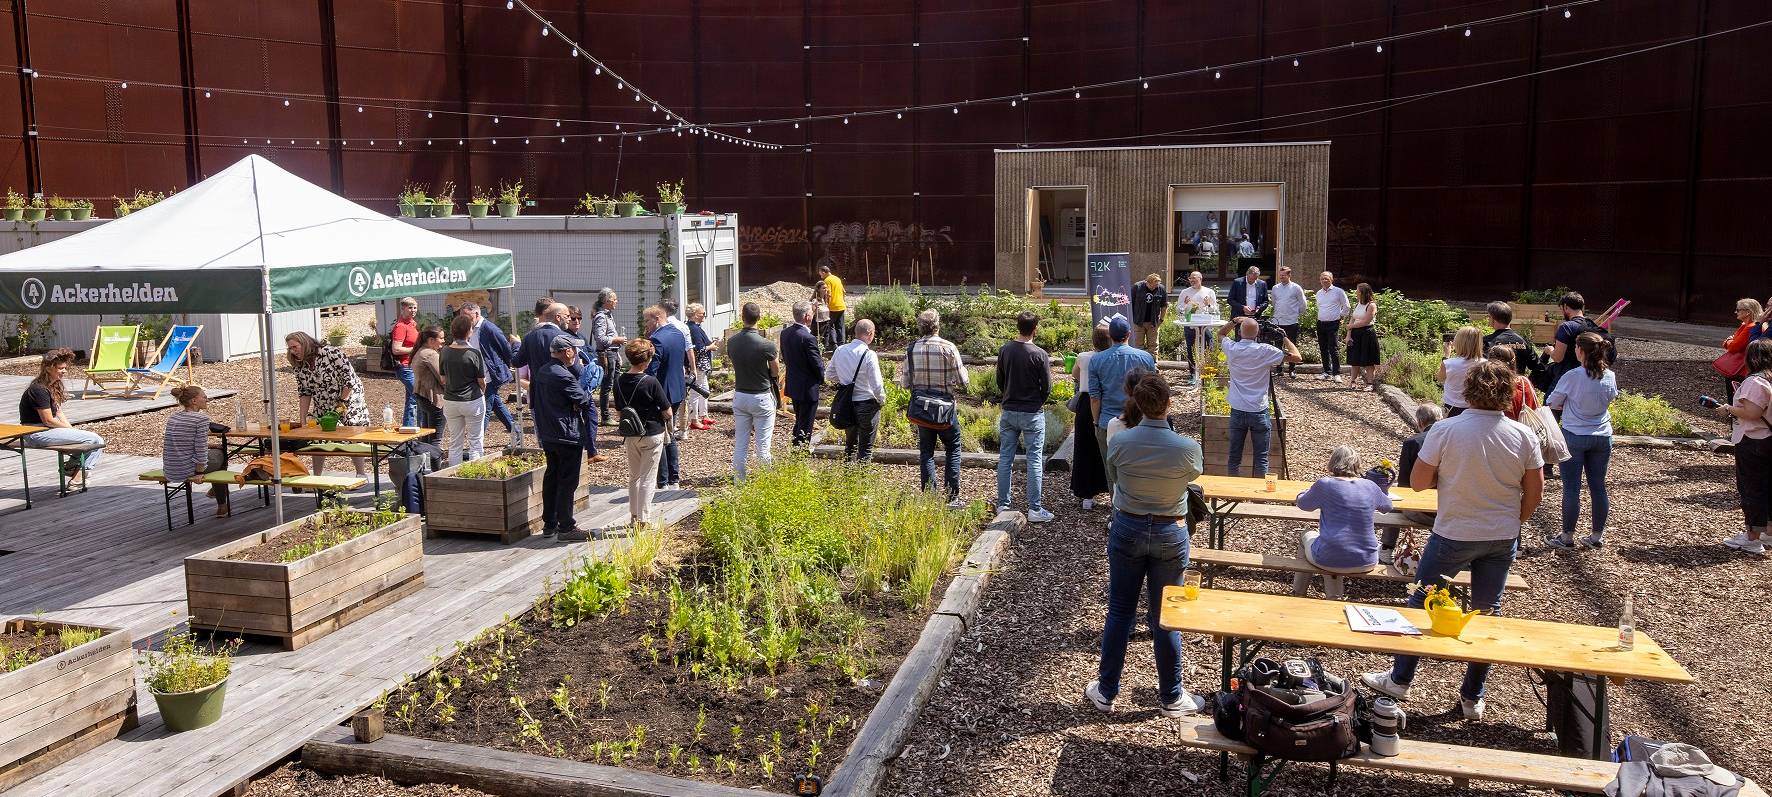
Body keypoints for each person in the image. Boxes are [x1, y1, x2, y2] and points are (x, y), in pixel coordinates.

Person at [1363, 361, 1544, 721]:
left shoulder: (1445, 430)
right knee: (1487, 613)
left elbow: (1416, 482)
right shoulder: (1523, 435)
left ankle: (1400, 680)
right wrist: (1514, 520)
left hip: (1454, 532)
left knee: (1421, 602)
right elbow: (1535, 492)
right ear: (1509, 392)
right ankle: (1473, 696)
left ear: (1466, 389)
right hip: (1501, 535)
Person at [1085, 373, 1206, 717]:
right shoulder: (1187, 449)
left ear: (1137, 404)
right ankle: (1171, 696)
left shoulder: (1121, 442)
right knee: (1165, 614)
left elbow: (1116, 475)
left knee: (1120, 610)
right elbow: (1193, 476)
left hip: (1128, 526)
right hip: (1170, 530)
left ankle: (1107, 690)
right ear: (1169, 404)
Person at [1545, 332, 1618, 550]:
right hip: (1602, 436)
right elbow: (1611, 397)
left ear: (1581, 350)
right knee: (1598, 486)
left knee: (1571, 488)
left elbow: (1552, 402)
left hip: (1575, 435)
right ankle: (1597, 535)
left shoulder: (1573, 376)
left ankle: (1567, 536)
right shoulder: (1609, 376)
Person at [1291, 445, 1393, 600]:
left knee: (1308, 536)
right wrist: (1383, 490)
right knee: (1333, 548)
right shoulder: (1370, 486)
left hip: (1330, 557)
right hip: (1368, 558)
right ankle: (1333, 598)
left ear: (1332, 463)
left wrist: (1303, 492)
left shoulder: (1325, 484)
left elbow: (1303, 504)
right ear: (1357, 464)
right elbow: (1387, 506)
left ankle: (1299, 593)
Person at [902, 309, 969, 506]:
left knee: (926, 451)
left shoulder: (912, 348)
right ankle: (952, 496)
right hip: (945, 407)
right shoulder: (948, 347)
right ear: (938, 325)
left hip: (922, 407)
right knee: (953, 447)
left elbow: (905, 382)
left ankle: (930, 497)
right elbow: (963, 380)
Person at [1216, 317, 1300, 476]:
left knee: (1234, 457)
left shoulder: (1231, 348)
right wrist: (1284, 337)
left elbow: (1220, 333)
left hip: (1238, 409)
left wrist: (1234, 321)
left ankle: (1233, 491)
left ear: (1239, 333)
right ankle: (1259, 494)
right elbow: (1297, 357)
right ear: (1258, 333)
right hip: (1258, 409)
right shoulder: (1266, 350)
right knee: (1261, 458)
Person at [995, 311, 1054, 523]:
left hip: (1009, 410)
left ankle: (1003, 504)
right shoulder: (1039, 354)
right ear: (1035, 329)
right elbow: (1047, 387)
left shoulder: (1005, 350)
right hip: (1032, 412)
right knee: (1034, 459)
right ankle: (1035, 509)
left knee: (1005, 459)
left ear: (1017, 327)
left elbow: (1000, 381)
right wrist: (1038, 400)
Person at [1716, 338, 1772, 554]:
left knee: (1752, 487)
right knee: (1769, 486)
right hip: (1769, 438)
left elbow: (1752, 413)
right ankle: (1768, 531)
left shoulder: (1755, 382)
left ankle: (1752, 537)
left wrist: (1730, 408)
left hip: (1753, 438)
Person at [534, 335, 592, 540]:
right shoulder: (563, 375)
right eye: (574, 351)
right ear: (567, 351)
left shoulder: (542, 370)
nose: (576, 354)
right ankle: (566, 527)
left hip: (548, 433)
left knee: (552, 477)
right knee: (567, 481)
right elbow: (583, 401)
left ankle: (549, 524)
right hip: (567, 434)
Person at [17, 349, 105, 486]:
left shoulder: (53, 385)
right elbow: (48, 420)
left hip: (47, 430)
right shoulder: (38, 389)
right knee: (95, 440)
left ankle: (71, 467)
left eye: (65, 368)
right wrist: (72, 431)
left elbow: (58, 413)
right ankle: (77, 477)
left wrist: (72, 430)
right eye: (60, 368)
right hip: (34, 433)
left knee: (94, 440)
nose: (64, 371)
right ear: (47, 368)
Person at [285, 331, 367, 476]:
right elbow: (304, 392)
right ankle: (317, 477)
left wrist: (341, 403)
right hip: (323, 402)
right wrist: (302, 418)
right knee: (317, 438)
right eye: (290, 348)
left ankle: (361, 473)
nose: (293, 351)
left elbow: (350, 381)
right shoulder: (298, 365)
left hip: (348, 398)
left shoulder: (331, 353)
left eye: (294, 347)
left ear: (305, 343)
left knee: (351, 433)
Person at [614, 338, 672, 527]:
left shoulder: (619, 381)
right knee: (648, 478)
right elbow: (667, 411)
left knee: (634, 476)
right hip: (652, 432)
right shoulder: (651, 382)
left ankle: (633, 516)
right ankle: (643, 519)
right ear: (647, 360)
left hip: (631, 434)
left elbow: (619, 411)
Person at [1383, 403, 1444, 562]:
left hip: (1426, 512)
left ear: (1420, 422)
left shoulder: (1413, 443)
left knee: (1393, 502)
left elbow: (1405, 487)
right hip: (1451, 509)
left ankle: (1386, 548)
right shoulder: (1454, 440)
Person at [458, 302, 522, 450]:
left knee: (485, 408)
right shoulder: (469, 329)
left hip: (490, 375)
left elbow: (505, 349)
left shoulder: (489, 328)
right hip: (479, 375)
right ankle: (517, 433)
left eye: (466, 316)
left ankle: (476, 445)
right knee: (496, 405)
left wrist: (504, 367)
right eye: (461, 317)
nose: (463, 320)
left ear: (476, 314)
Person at [727, 302, 779, 481]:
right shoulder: (767, 345)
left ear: (742, 317)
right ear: (759, 318)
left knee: (741, 444)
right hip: (761, 395)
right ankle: (765, 482)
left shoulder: (731, 342)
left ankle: (738, 482)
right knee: (763, 445)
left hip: (740, 394)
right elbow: (775, 370)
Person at [1088, 317, 1155, 457]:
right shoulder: (1145, 357)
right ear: (1129, 334)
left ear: (1110, 336)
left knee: (1111, 473)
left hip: (1107, 422)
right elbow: (1152, 391)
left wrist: (1096, 422)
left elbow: (1095, 397)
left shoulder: (1096, 360)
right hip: (1139, 421)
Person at [161, 385, 228, 517]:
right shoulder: (201, 419)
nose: (207, 399)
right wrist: (199, 472)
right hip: (187, 469)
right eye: (204, 397)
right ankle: (221, 502)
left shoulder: (173, 418)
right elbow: (200, 448)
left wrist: (211, 445)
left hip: (171, 468)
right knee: (222, 455)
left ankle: (218, 492)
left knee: (216, 452)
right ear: (194, 401)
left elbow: (181, 442)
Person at [644, 306, 690, 490]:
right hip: (677, 389)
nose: (645, 325)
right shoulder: (678, 333)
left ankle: (663, 481)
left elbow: (651, 371)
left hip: (662, 393)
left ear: (656, 319)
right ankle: (674, 479)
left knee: (660, 436)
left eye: (647, 321)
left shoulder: (657, 339)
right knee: (669, 434)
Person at [826, 318, 884, 462]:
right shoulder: (869, 355)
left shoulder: (840, 350)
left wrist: (846, 381)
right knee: (866, 447)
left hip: (848, 403)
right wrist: (882, 399)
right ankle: (862, 481)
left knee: (850, 444)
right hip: (867, 404)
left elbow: (829, 374)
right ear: (870, 333)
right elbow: (876, 384)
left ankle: (848, 478)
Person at [1070, 324, 1112, 510]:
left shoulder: (1083, 357)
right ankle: (1113, 493)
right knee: (1108, 449)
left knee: (1084, 448)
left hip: (1086, 403)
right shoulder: (1112, 358)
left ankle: (1086, 495)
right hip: (1108, 402)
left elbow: (1075, 376)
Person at [439, 314, 488, 466]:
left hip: (451, 400)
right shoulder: (474, 353)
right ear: (469, 331)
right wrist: (483, 390)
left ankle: (453, 474)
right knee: (475, 440)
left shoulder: (445, 351)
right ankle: (476, 475)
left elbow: (443, 379)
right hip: (472, 399)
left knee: (455, 441)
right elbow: (481, 380)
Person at [780, 301, 825, 448]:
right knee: (806, 426)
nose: (813, 317)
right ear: (806, 316)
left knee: (800, 420)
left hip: (793, 383)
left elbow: (785, 358)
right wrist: (821, 379)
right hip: (808, 387)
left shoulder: (785, 333)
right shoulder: (808, 338)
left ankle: (795, 451)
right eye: (812, 314)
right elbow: (817, 365)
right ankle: (800, 455)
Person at [566, 309, 606, 464]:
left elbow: (592, 354)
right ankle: (585, 452)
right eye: (573, 318)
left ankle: (591, 451)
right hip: (573, 385)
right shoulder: (565, 337)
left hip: (585, 386)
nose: (577, 321)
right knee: (580, 417)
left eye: (579, 318)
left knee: (591, 416)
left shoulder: (581, 337)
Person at [591, 289, 629, 426]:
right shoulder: (601, 316)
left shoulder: (608, 315)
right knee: (607, 386)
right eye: (615, 299)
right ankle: (605, 416)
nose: (616, 301)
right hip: (607, 354)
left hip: (612, 353)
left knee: (616, 384)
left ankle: (619, 413)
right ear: (607, 301)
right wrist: (616, 339)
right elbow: (600, 338)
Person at [1175, 271, 1217, 380]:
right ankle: (1192, 374)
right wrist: (1184, 304)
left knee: (1209, 346)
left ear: (1200, 278)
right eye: (1190, 278)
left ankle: (1208, 372)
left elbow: (1215, 310)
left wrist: (1208, 304)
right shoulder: (1185, 292)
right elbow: (1178, 310)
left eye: (1194, 278)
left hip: (1205, 324)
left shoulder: (1209, 291)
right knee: (1191, 349)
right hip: (1190, 324)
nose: (1192, 280)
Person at [386, 297, 420, 427]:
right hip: (404, 368)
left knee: (412, 399)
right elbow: (396, 349)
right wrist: (416, 349)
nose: (413, 310)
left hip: (412, 366)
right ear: (403, 308)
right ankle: (414, 429)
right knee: (419, 396)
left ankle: (408, 429)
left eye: (415, 307)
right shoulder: (400, 326)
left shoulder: (411, 324)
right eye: (410, 307)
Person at [1720, 299, 1763, 401]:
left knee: (1735, 391)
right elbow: (1733, 342)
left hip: (1741, 367)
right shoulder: (1745, 325)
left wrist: (1728, 342)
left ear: (1748, 312)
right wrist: (1730, 341)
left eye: (1738, 310)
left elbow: (1733, 346)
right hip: (1741, 365)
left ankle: (1734, 413)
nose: (1736, 312)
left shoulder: (1750, 327)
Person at [1438, 326, 1485, 417]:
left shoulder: (1448, 363)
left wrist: (1447, 355)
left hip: (1452, 408)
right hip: (1475, 408)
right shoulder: (1485, 364)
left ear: (1459, 342)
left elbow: (1440, 378)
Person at [1269, 266, 1306, 378]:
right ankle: (1279, 369)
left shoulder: (1296, 288)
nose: (1281, 277)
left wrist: (1295, 313)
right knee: (1278, 346)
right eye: (1280, 276)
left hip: (1291, 321)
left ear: (1289, 275)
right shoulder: (1275, 288)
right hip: (1278, 320)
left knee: (1291, 345)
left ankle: (1292, 369)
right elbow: (1274, 303)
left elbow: (1303, 304)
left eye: (1284, 276)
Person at [412, 326, 446, 445]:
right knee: (435, 438)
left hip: (423, 397)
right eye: (441, 338)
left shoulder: (419, 351)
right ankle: (435, 463)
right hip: (434, 400)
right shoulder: (431, 355)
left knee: (426, 436)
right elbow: (443, 379)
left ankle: (425, 463)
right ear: (431, 340)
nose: (443, 340)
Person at [1486, 346, 1539, 421]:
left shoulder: (1484, 385)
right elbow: (1535, 407)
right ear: (1514, 362)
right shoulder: (1524, 382)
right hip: (1521, 427)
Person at [1314, 270, 1350, 381]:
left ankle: (1336, 373)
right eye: (1322, 278)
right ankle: (1326, 372)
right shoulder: (1319, 293)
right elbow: (1319, 307)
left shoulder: (1338, 291)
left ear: (1331, 279)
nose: (1324, 280)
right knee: (1323, 348)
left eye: (1326, 278)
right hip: (1321, 323)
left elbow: (1346, 307)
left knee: (1333, 348)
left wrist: (1339, 316)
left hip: (1333, 323)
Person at [1549, 291, 1591, 387]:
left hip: (1566, 376)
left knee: (1549, 401)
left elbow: (1558, 358)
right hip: (1587, 376)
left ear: (1566, 307)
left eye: (1562, 309)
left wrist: (1550, 351)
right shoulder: (1592, 325)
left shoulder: (1566, 327)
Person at [1343, 283, 1380, 389]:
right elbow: (1353, 318)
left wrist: (1351, 326)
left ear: (1363, 293)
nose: (1356, 293)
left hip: (1367, 333)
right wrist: (1348, 335)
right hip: (1355, 333)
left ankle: (1369, 384)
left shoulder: (1371, 305)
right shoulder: (1358, 303)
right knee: (1354, 359)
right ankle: (1353, 381)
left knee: (1368, 360)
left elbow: (1366, 321)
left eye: (1357, 291)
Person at [685, 303, 715, 431]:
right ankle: (694, 419)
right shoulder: (694, 329)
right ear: (696, 315)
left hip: (700, 365)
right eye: (703, 313)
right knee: (696, 391)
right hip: (698, 365)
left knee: (704, 389)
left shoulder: (693, 327)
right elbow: (698, 349)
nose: (704, 316)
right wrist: (710, 347)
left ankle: (704, 414)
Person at [1130, 273, 1168, 357]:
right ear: (1147, 282)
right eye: (1153, 286)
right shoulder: (1137, 287)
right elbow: (1129, 304)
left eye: (1157, 286)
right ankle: (1139, 365)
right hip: (1138, 322)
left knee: (1153, 346)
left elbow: (1164, 306)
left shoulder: (1161, 289)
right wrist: (1131, 320)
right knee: (1138, 346)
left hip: (1153, 322)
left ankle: (1153, 365)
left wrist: (1161, 320)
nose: (1155, 288)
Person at [819, 263, 847, 344]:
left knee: (830, 326)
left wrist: (827, 305)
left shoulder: (827, 280)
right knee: (840, 326)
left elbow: (828, 294)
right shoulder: (837, 279)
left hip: (832, 307)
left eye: (820, 274)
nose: (821, 276)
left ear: (824, 272)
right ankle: (842, 343)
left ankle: (833, 345)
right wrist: (843, 301)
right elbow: (844, 291)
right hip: (841, 306)